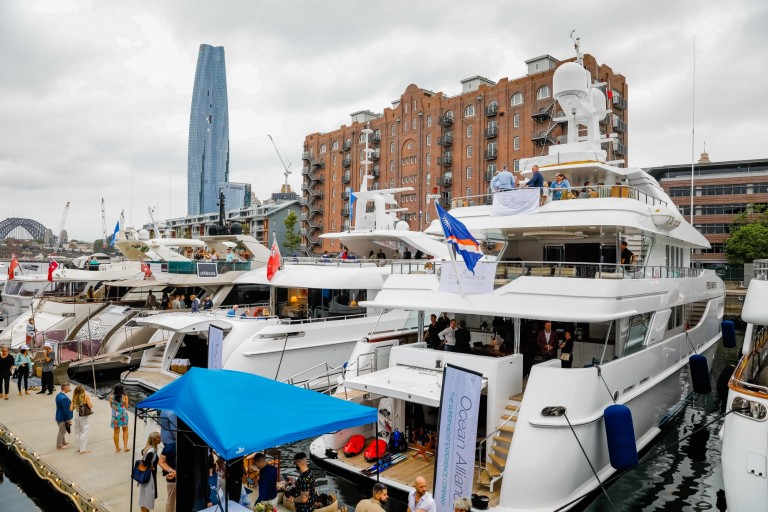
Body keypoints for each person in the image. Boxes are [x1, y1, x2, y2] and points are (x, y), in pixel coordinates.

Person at [138, 432, 161, 512]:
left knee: (144, 498)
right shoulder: (152, 451)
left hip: (146, 476)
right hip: (149, 477)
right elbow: (146, 462)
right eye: (158, 438)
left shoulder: (149, 448)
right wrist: (151, 465)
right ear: (154, 440)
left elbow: (143, 452)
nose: (160, 439)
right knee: (147, 498)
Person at [69, 384, 93, 454]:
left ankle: (78, 447)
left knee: (77, 432)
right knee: (84, 432)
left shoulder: (74, 397)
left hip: (77, 415)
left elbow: (70, 409)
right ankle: (83, 449)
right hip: (83, 416)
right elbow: (90, 406)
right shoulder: (86, 396)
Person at [110, 383, 130, 452]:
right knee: (125, 430)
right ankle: (125, 447)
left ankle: (117, 448)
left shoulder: (111, 397)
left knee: (116, 432)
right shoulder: (125, 397)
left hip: (115, 416)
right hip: (123, 415)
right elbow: (127, 406)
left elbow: (111, 406)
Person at [158, 440, 177, 512]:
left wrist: (170, 470)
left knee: (170, 500)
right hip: (181, 479)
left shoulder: (168, 446)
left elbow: (161, 461)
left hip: (171, 479)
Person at [55, 382, 72, 449]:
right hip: (62, 417)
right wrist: (68, 419)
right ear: (66, 388)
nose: (69, 389)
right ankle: (59, 445)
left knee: (63, 430)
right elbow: (66, 410)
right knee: (62, 431)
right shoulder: (64, 398)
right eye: (68, 388)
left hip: (58, 415)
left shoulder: (58, 395)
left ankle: (63, 442)